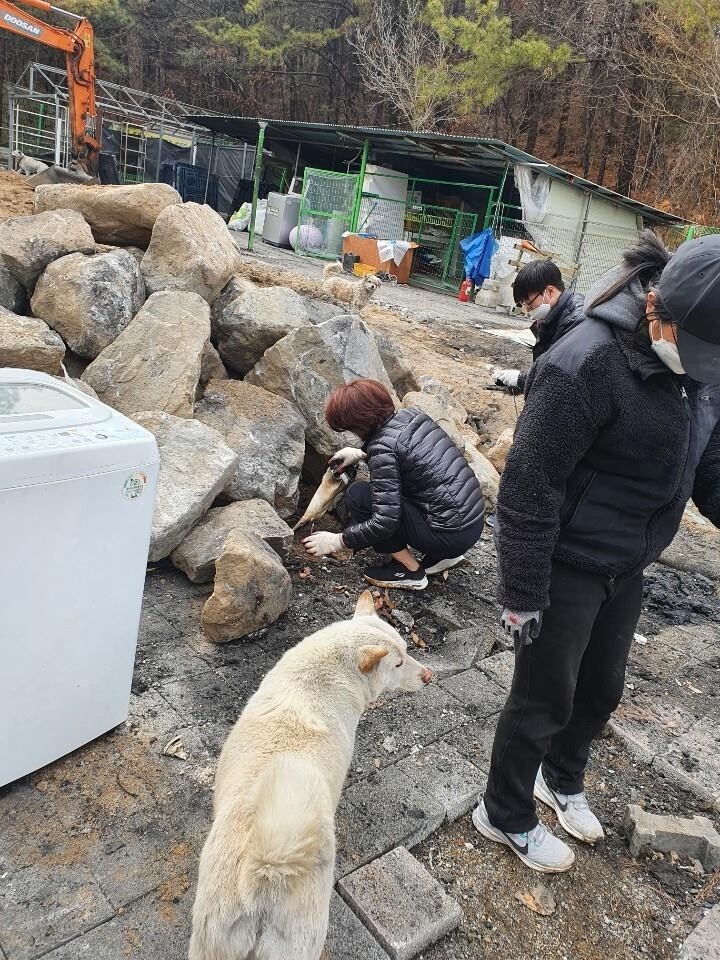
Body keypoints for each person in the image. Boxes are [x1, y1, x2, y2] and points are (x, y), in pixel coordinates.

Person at [473, 231, 720, 872]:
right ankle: (503, 812)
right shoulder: (586, 362)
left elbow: (707, 465)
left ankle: (560, 778)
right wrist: (522, 595)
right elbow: (528, 484)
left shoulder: (701, 374)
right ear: (658, 309)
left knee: (602, 686)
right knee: (544, 695)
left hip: (628, 559)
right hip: (565, 559)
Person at [302, 378, 486, 590]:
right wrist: (362, 453)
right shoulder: (412, 416)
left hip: (449, 535)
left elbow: (384, 522)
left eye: (348, 429)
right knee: (393, 494)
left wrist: (338, 541)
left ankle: (410, 571)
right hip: (471, 524)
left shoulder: (383, 450)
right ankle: (441, 558)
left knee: (358, 495)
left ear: (359, 424)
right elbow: (408, 457)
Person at [492, 259, 584, 392]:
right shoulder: (553, 314)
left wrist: (522, 379)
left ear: (550, 292)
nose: (528, 311)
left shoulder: (576, 322)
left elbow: (560, 374)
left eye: (529, 304)